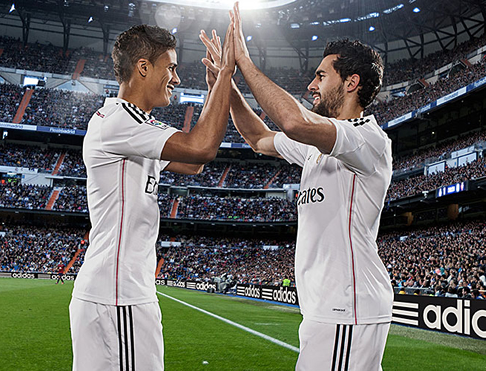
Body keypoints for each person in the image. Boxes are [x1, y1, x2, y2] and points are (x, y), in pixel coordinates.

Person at [202, 3, 393, 369]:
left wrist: (243, 60)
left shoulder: (366, 138)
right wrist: (225, 84)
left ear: (351, 82)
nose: (311, 84)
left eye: (321, 76)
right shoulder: (315, 146)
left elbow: (291, 120)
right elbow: (257, 138)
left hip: (347, 309)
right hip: (329, 312)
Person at [70, 24, 235, 371]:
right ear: (144, 67)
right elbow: (201, 148)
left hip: (113, 294)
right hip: (119, 297)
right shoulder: (121, 122)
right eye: (171, 67)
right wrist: (225, 75)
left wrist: (213, 88)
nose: (176, 78)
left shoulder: (128, 124)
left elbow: (193, 165)